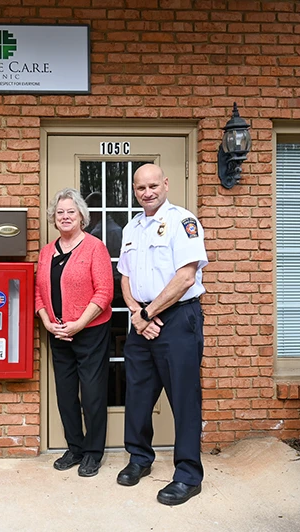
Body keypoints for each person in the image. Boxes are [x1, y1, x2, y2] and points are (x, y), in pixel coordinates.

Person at [116, 163, 208, 506]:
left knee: (184, 398)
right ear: (135, 191)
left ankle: (187, 475)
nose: (147, 192)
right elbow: (124, 276)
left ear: (166, 185)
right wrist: (137, 315)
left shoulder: (183, 223)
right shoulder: (132, 227)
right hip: (141, 318)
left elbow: (185, 278)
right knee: (138, 393)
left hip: (178, 318)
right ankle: (139, 458)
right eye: (141, 188)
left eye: (153, 185)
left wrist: (146, 314)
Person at [35, 188, 114, 478]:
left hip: (90, 332)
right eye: (60, 213)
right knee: (66, 395)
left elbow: (104, 292)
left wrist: (79, 323)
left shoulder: (95, 247)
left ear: (81, 216)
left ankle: (93, 452)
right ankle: (75, 447)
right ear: (53, 219)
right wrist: (46, 321)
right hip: (57, 332)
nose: (65, 216)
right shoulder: (46, 252)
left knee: (92, 395)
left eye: (71, 212)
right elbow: (37, 293)